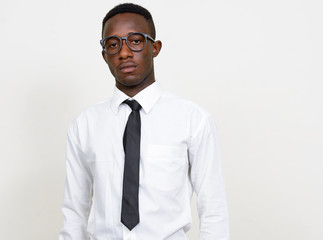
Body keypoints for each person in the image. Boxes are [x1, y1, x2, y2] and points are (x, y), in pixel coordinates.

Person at [59, 3, 229, 240]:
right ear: (104, 55)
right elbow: (75, 210)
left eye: (136, 41)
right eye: (113, 44)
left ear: (155, 47)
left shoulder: (193, 120)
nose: (124, 52)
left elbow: (214, 209)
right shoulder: (85, 124)